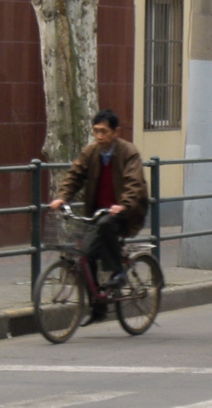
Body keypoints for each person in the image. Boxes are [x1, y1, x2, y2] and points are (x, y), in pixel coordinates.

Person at [50, 109, 149, 326]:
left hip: (126, 212)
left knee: (106, 226)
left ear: (116, 132)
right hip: (98, 212)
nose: (99, 136)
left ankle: (118, 273)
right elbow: (74, 176)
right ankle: (98, 305)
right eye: (95, 131)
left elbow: (134, 183)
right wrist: (61, 198)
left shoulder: (128, 152)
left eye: (104, 132)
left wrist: (123, 204)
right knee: (85, 254)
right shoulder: (91, 152)